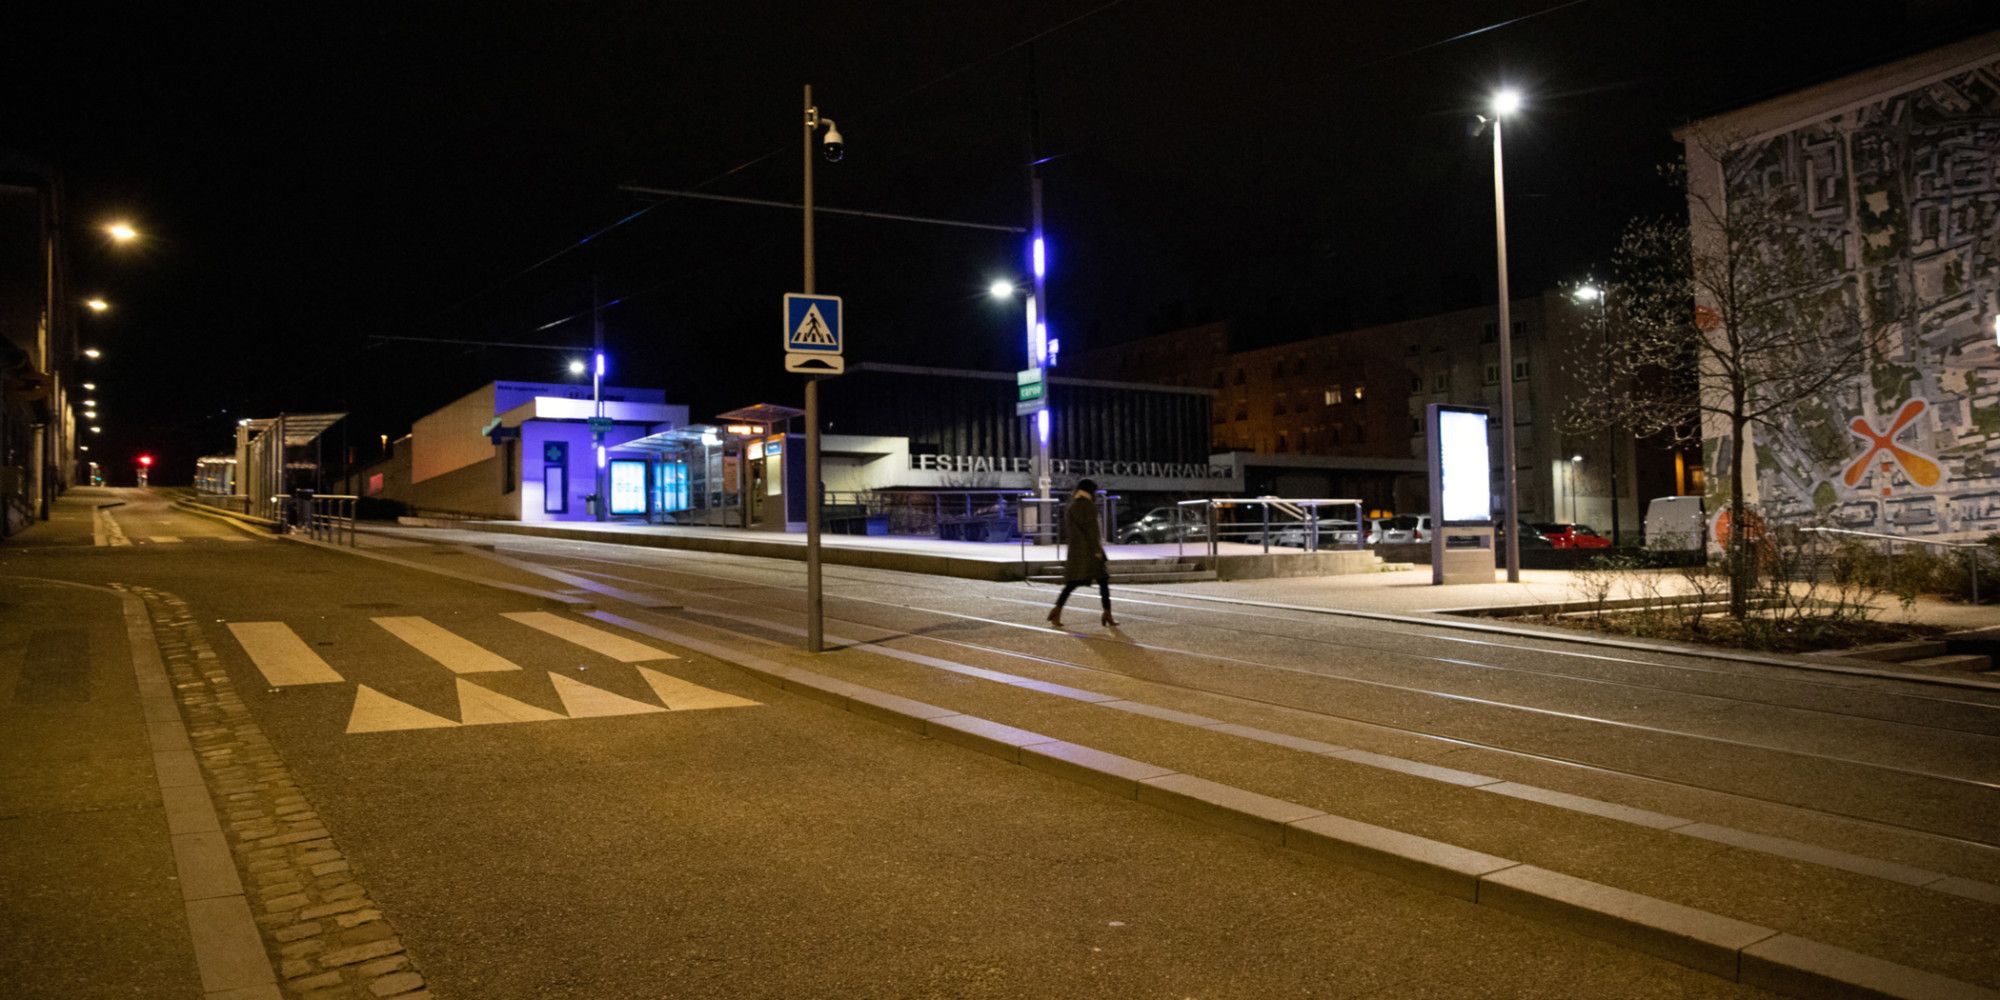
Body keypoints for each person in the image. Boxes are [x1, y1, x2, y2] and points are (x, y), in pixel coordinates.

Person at [1047, 479, 1118, 628]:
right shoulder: (1088, 506)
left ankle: (1057, 610)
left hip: (1077, 551)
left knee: (1073, 583)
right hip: (1090, 552)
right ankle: (1107, 614)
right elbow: (1093, 531)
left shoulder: (1072, 506)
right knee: (1103, 581)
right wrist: (1097, 551)